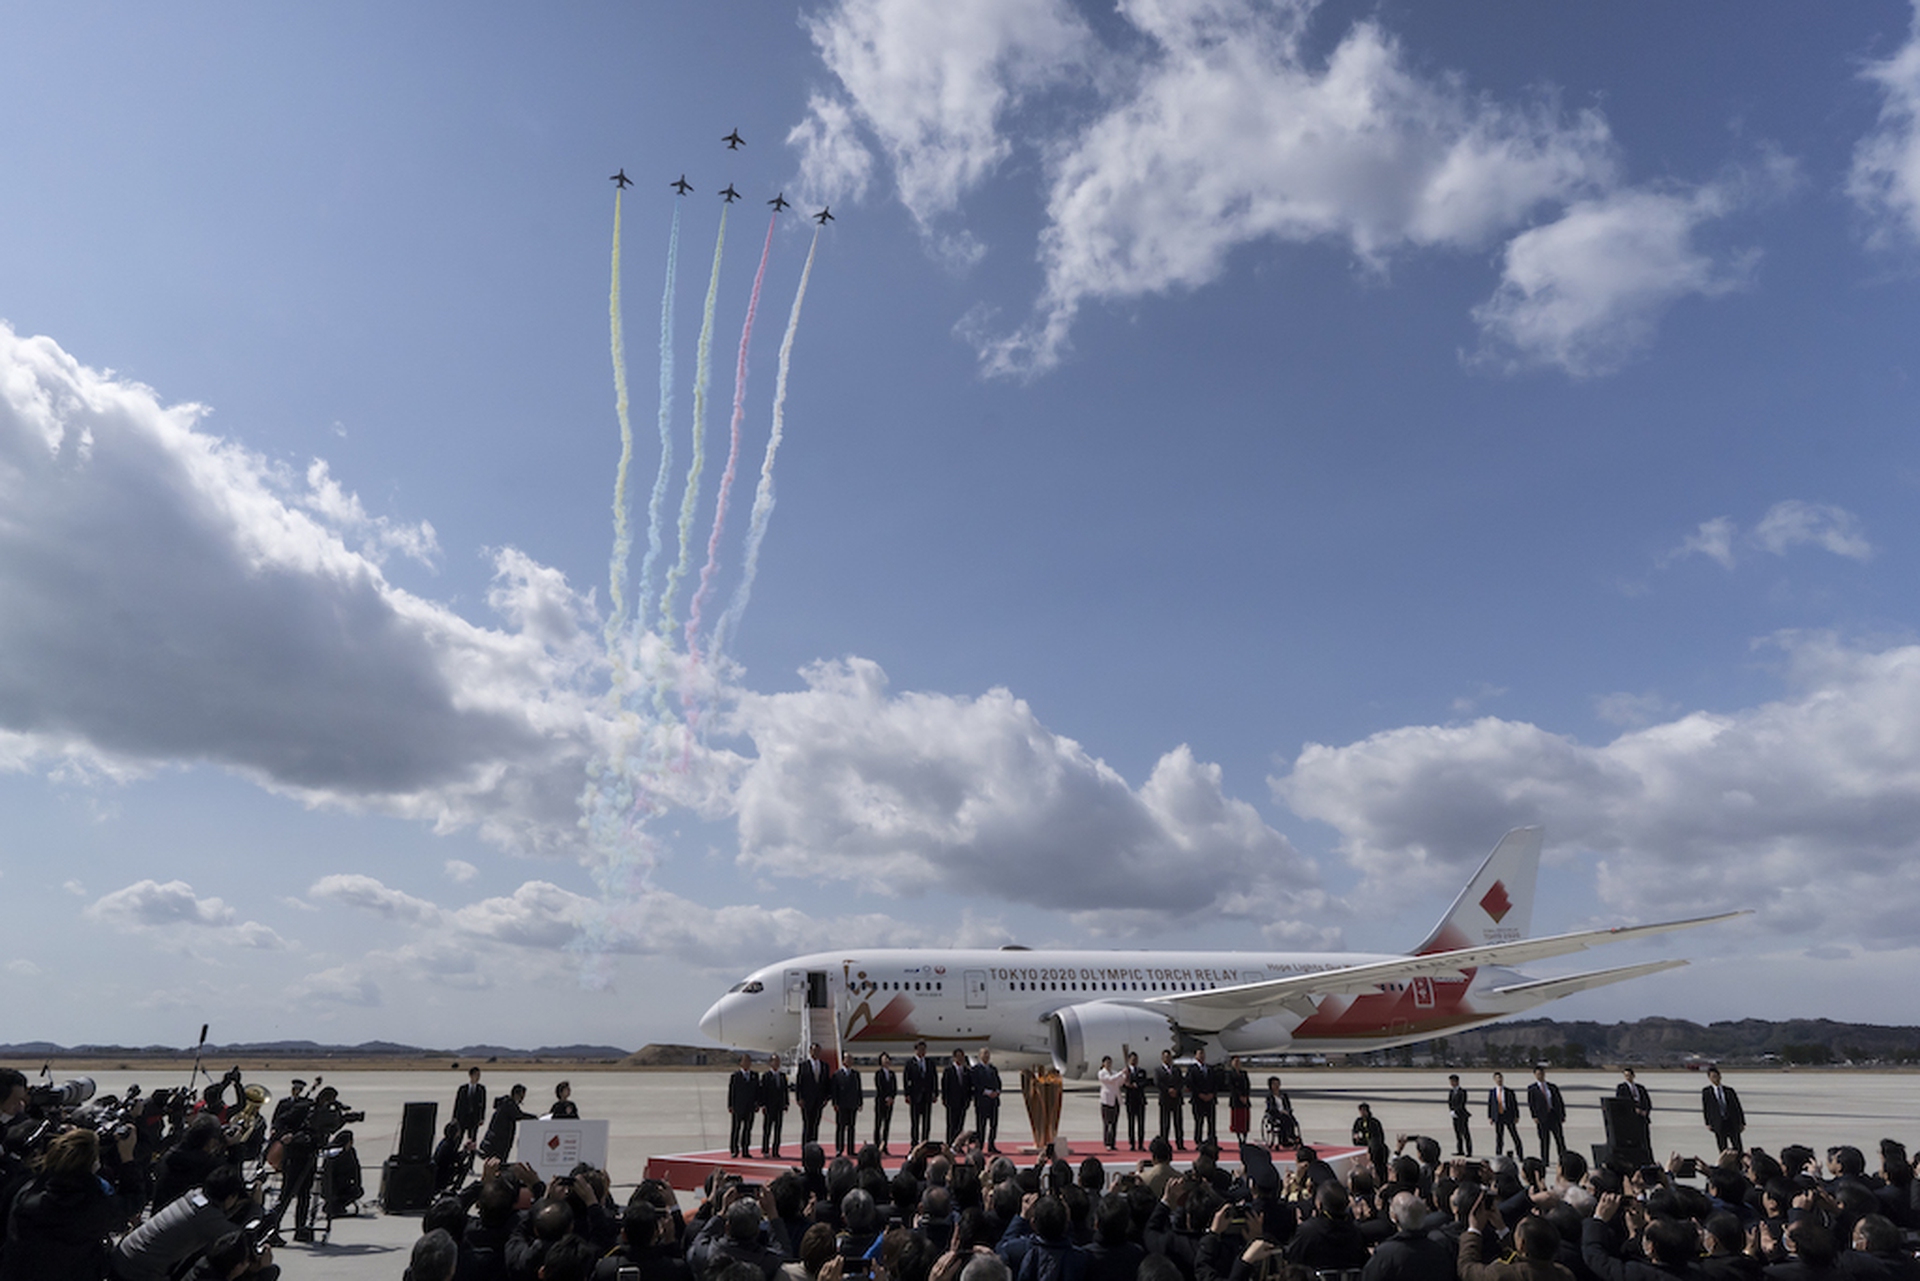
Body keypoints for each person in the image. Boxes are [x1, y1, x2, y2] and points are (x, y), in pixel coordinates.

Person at [1, 1127, 147, 1281]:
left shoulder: (26, 1192)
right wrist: (127, 1157)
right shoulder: (94, 1206)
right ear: (92, 1164)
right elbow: (134, 1201)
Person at [478, 1084, 534, 1163]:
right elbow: (518, 1115)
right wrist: (534, 1118)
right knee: (499, 1161)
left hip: (499, 1138)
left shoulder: (505, 1103)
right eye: (522, 1096)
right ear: (516, 1095)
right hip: (500, 1140)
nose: (522, 1099)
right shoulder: (508, 1104)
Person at [1528, 1066, 1567, 1165]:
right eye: (1537, 1074)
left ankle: (1563, 1159)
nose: (1540, 1075)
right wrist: (1534, 1116)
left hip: (1554, 1116)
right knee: (1544, 1140)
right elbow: (1531, 1103)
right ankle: (1545, 1160)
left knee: (1559, 1139)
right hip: (1542, 1118)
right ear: (1535, 1075)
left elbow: (1559, 1101)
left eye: (1541, 1073)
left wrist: (1562, 1114)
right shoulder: (1532, 1089)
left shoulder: (1552, 1087)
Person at [1702, 1067, 1745, 1154]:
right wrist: (1708, 1122)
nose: (1715, 1078)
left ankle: (1739, 1165)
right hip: (1718, 1123)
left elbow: (1737, 1107)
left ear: (1720, 1077)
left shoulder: (1729, 1091)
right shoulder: (1706, 1092)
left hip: (1731, 1122)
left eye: (1716, 1076)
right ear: (1709, 1078)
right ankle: (1726, 1165)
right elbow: (1706, 1108)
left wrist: (1742, 1122)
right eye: (1713, 1077)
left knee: (1737, 1146)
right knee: (1722, 1147)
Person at [796, 1045, 831, 1148]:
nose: (816, 1053)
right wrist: (799, 1098)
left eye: (818, 1051)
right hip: (806, 1100)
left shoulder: (824, 1066)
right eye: (814, 1050)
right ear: (810, 1051)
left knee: (816, 1124)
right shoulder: (804, 1065)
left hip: (819, 1100)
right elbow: (799, 1083)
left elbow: (827, 1083)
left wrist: (827, 1098)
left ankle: (814, 1146)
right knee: (807, 1125)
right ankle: (805, 1147)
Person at [905, 1042, 938, 1148]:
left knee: (926, 1122)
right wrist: (907, 1094)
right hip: (915, 1096)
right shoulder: (910, 1063)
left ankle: (925, 1141)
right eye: (920, 1049)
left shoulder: (929, 1063)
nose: (922, 1051)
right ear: (916, 1050)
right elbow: (906, 1079)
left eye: (924, 1049)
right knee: (915, 1122)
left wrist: (935, 1093)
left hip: (927, 1096)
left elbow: (934, 1078)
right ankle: (914, 1143)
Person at [970, 1049, 1003, 1154]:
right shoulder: (975, 1069)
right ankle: (980, 1145)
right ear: (979, 1056)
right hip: (982, 1101)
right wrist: (987, 1092)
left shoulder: (993, 1069)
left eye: (988, 1054)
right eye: (984, 1054)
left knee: (993, 1125)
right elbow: (975, 1084)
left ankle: (991, 1145)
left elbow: (998, 1082)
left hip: (993, 1102)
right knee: (981, 1125)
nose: (986, 1056)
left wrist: (997, 1091)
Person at [759, 1054, 791, 1158]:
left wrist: (786, 1103)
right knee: (767, 1130)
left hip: (779, 1106)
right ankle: (765, 1150)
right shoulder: (766, 1076)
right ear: (770, 1063)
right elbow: (763, 1092)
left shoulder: (782, 1076)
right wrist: (762, 1105)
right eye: (774, 1061)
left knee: (778, 1130)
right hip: (769, 1106)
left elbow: (785, 1091)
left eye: (778, 1061)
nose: (777, 1063)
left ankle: (776, 1150)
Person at [729, 1056, 761, 1158]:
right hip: (738, 1107)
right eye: (745, 1061)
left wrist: (757, 1103)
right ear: (741, 1063)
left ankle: (745, 1149)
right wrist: (730, 1105)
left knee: (747, 1129)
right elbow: (732, 1092)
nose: (748, 1063)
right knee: (736, 1129)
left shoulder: (754, 1076)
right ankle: (734, 1149)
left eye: (749, 1061)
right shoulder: (735, 1076)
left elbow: (757, 1091)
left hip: (750, 1107)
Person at [830, 1059, 864, 1156]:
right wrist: (835, 1103)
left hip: (852, 1104)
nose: (850, 1061)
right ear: (843, 1061)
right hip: (841, 1105)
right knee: (840, 1127)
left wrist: (860, 1102)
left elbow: (858, 1089)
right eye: (847, 1059)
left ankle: (851, 1149)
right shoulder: (837, 1074)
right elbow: (834, 1090)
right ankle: (839, 1148)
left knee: (851, 1127)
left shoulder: (855, 1074)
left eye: (851, 1059)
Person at [1185, 1048, 1218, 1147]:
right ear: (1195, 1056)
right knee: (1199, 1122)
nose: (1202, 1056)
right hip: (1198, 1099)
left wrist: (1212, 1094)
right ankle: (1198, 1141)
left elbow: (1215, 1083)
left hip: (1210, 1099)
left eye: (1203, 1054)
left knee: (1211, 1122)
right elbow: (1190, 1083)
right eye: (1199, 1054)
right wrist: (1200, 1094)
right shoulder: (1192, 1069)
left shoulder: (1209, 1068)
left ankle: (1212, 1140)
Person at [1155, 1050, 1185, 1151]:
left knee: (1178, 1123)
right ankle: (1164, 1143)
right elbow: (1158, 1083)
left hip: (1176, 1099)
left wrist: (1176, 1089)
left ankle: (1180, 1144)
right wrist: (1168, 1090)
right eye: (1165, 1057)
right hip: (1165, 1099)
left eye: (1169, 1057)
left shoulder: (1176, 1069)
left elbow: (1181, 1081)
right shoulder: (1158, 1070)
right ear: (1162, 1058)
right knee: (1164, 1123)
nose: (1167, 1059)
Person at [1488, 1072, 1523, 1159]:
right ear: (1494, 1080)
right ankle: (1498, 1155)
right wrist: (1490, 1117)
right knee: (1499, 1137)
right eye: (1497, 1078)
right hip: (1498, 1116)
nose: (1499, 1080)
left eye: (1500, 1078)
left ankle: (1520, 1154)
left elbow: (1514, 1104)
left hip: (1508, 1115)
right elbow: (1490, 1105)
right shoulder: (1492, 1092)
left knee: (1514, 1135)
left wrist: (1516, 1116)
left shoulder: (1509, 1092)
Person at [942, 1049, 973, 1145]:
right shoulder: (948, 1071)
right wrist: (945, 1099)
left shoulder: (967, 1071)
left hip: (963, 1102)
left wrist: (968, 1099)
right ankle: (950, 1143)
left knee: (960, 1125)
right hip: (952, 1101)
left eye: (962, 1056)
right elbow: (945, 1086)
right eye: (958, 1056)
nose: (960, 1058)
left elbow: (969, 1087)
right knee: (951, 1124)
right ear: (954, 1058)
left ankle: (958, 1144)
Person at [452, 1067, 486, 1147]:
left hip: (474, 1118)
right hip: (462, 1118)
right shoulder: (463, 1089)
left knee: (473, 1139)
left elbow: (483, 1104)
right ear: (470, 1075)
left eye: (479, 1075)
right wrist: (454, 1117)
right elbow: (457, 1103)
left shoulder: (481, 1089)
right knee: (459, 1138)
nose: (478, 1077)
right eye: (476, 1075)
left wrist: (482, 1118)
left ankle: (471, 1158)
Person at [1121, 1053, 1149, 1152]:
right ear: (1129, 1060)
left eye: (1136, 1059)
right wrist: (1126, 1081)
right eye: (1132, 1059)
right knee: (1131, 1123)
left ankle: (1141, 1144)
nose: (1134, 1061)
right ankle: (1132, 1144)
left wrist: (1136, 1085)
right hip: (1130, 1100)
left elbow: (1145, 1082)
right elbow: (1123, 1084)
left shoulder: (1142, 1071)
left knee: (1141, 1124)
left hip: (1140, 1100)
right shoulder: (1126, 1072)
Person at [872, 1052, 898, 1154]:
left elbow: (894, 1088)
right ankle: (877, 1145)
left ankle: (885, 1145)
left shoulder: (892, 1074)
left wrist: (892, 1097)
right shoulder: (878, 1074)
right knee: (878, 1124)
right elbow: (880, 1087)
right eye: (884, 1059)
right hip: (881, 1102)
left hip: (889, 1103)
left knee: (886, 1125)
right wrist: (886, 1098)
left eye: (888, 1059)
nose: (887, 1061)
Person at [1096, 1056, 1124, 1151]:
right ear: (1103, 1063)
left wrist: (1124, 1076)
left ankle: (1113, 1142)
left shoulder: (1114, 1072)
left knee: (1114, 1122)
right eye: (1107, 1062)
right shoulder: (1101, 1073)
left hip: (1115, 1099)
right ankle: (1107, 1142)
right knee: (1107, 1122)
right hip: (1106, 1100)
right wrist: (1121, 1073)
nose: (1109, 1064)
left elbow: (1119, 1082)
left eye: (1110, 1062)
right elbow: (1110, 1080)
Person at [1224, 1056, 1252, 1145]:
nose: (1237, 1064)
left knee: (1245, 1119)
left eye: (1238, 1062)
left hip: (1245, 1099)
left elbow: (1247, 1085)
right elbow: (1230, 1086)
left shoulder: (1244, 1073)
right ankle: (1239, 1137)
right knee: (1237, 1120)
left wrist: (1246, 1096)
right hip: (1236, 1099)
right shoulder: (1230, 1074)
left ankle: (1245, 1136)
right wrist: (1239, 1096)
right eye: (1235, 1062)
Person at [1263, 1076, 1298, 1147]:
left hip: (1285, 1113)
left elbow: (1288, 1105)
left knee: (1290, 1119)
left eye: (1278, 1084)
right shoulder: (1270, 1097)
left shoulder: (1284, 1095)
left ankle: (1290, 1137)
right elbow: (1271, 1108)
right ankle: (1287, 1138)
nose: (1276, 1086)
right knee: (1284, 1119)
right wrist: (1280, 1111)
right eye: (1274, 1084)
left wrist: (1287, 1110)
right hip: (1276, 1114)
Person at [1448, 1074, 1474, 1156]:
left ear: (1457, 1082)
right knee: (1457, 1133)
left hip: (1462, 1115)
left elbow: (1462, 1103)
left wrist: (1456, 1111)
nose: (1451, 1083)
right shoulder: (1451, 1091)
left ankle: (1469, 1151)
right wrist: (1451, 1110)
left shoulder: (1462, 1092)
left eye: (1452, 1081)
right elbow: (1450, 1102)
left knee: (1465, 1133)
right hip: (1455, 1115)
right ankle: (1460, 1150)